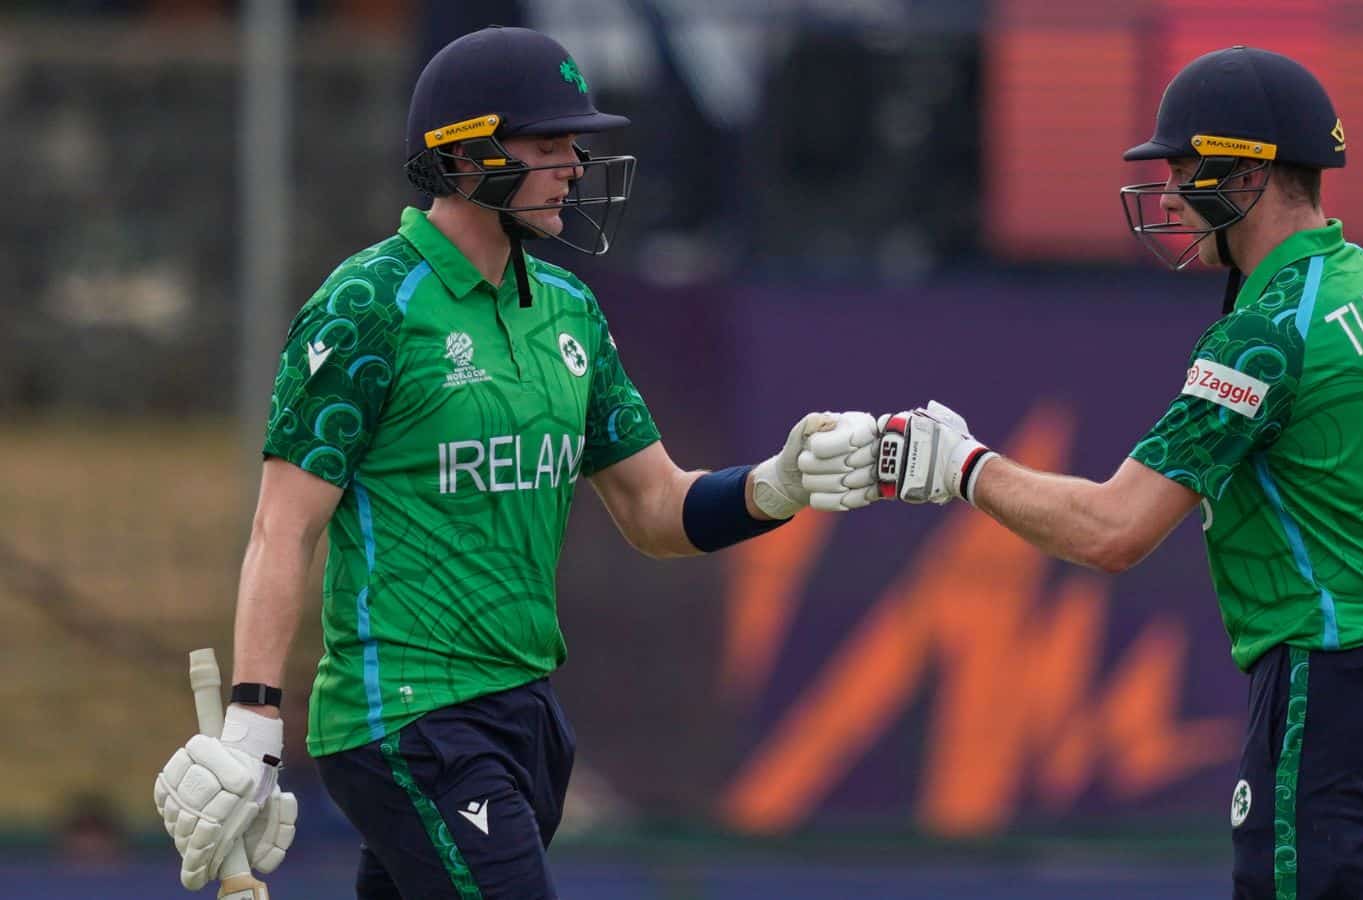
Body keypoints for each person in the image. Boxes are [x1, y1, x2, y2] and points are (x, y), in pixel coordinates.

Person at [152, 26, 878, 899]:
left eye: (575, 144)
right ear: (464, 156)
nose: (573, 166)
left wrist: (777, 486)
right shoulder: (368, 305)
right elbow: (283, 527)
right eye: (548, 144)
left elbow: (655, 509)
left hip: (524, 711)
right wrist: (254, 722)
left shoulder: (569, 311)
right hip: (406, 716)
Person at [849, 46, 1363, 898]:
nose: (1171, 195)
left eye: (1187, 170)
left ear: (1247, 173)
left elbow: (1114, 530)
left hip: (1332, 678)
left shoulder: (1266, 333)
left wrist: (960, 467)